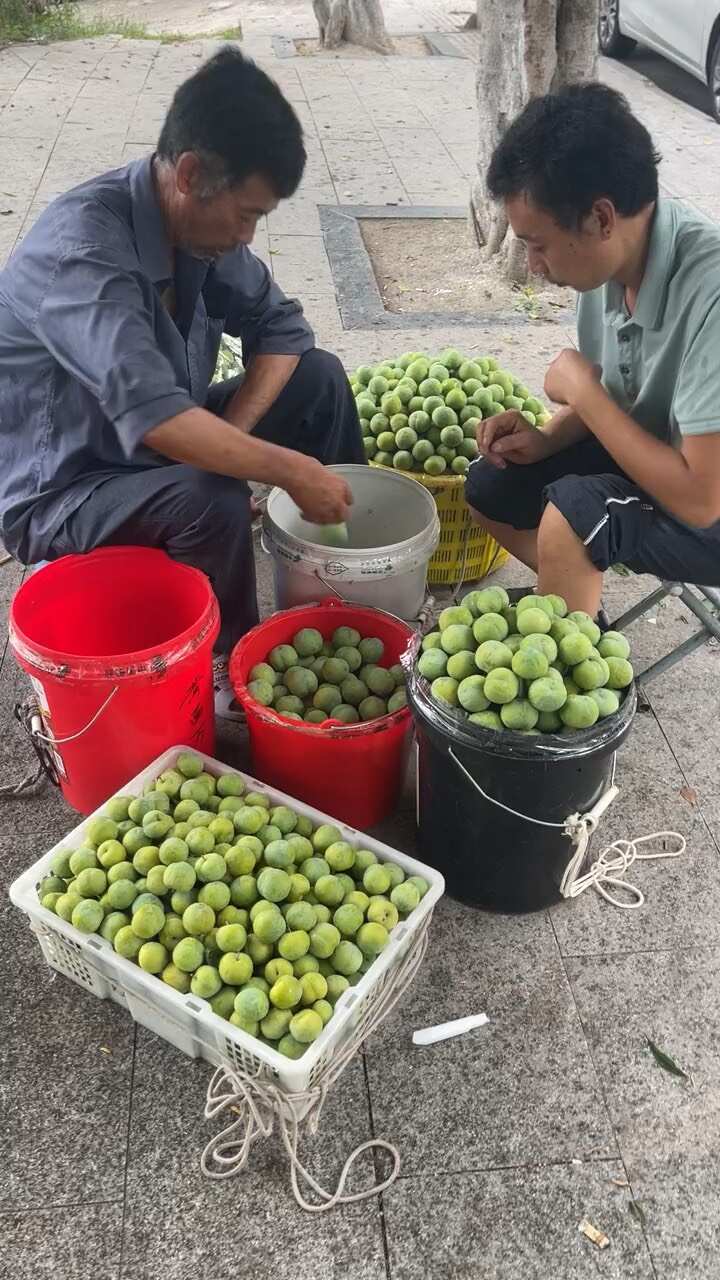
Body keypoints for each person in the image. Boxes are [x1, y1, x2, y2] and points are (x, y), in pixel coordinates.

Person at [0, 47, 364, 713]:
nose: (249, 233)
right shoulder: (82, 255)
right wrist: (283, 469)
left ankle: (341, 575)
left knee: (320, 380)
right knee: (209, 494)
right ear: (191, 174)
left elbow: (282, 331)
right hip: (69, 490)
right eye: (247, 213)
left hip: (158, 446)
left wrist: (233, 437)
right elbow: (161, 422)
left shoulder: (198, 232)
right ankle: (231, 667)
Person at [466, 83, 720, 616]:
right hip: (656, 457)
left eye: (539, 245)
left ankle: (574, 658)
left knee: (575, 513)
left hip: (708, 502)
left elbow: (700, 502)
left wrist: (583, 392)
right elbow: (620, 396)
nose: (534, 266)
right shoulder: (607, 270)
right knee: (490, 484)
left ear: (602, 219)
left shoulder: (711, 293)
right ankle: (577, 603)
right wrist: (547, 438)